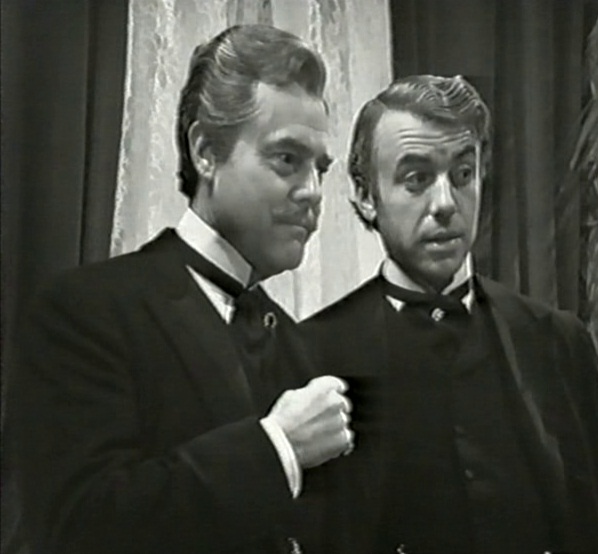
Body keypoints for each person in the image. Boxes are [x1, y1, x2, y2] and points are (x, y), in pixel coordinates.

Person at [5, 24, 354, 554]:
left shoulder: (299, 346)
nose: (312, 192)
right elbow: (74, 528)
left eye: (320, 169)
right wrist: (275, 448)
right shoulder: (85, 311)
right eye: (287, 159)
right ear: (205, 151)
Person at [302, 75, 598, 553]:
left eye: (463, 174)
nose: (445, 204)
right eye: (416, 179)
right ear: (367, 195)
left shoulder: (556, 341)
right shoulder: (313, 354)